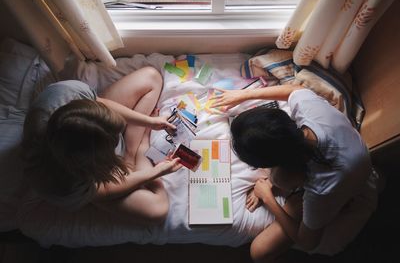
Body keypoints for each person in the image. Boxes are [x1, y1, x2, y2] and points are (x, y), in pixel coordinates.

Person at [211, 85, 377, 261]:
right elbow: (294, 90)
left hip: (351, 185)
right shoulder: (311, 111)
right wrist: (244, 94)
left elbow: (308, 243)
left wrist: (269, 199)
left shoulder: (321, 188)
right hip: (348, 164)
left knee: (259, 252)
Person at [22, 66, 182, 225]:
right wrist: (156, 171)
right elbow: (104, 190)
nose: (119, 140)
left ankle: (132, 152)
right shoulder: (61, 184)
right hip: (89, 180)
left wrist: (150, 122)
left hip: (88, 141)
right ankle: (136, 151)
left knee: (151, 76)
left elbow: (102, 104)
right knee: (157, 209)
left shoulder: (66, 92)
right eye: (113, 142)